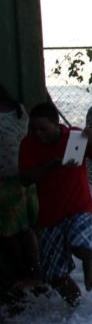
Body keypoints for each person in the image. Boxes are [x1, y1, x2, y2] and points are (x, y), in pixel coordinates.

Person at [18, 102, 92, 306]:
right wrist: (51, 165)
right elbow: (25, 178)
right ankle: (79, 309)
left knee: (79, 243)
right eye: (34, 129)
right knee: (55, 276)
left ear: (56, 123)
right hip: (50, 216)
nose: (38, 134)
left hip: (79, 207)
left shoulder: (74, 137)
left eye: (43, 129)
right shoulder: (29, 144)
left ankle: (88, 263)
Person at [0, 84, 41, 296]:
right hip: (25, 178)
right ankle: (34, 273)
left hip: (7, 182)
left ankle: (25, 275)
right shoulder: (20, 111)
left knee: (10, 233)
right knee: (26, 229)